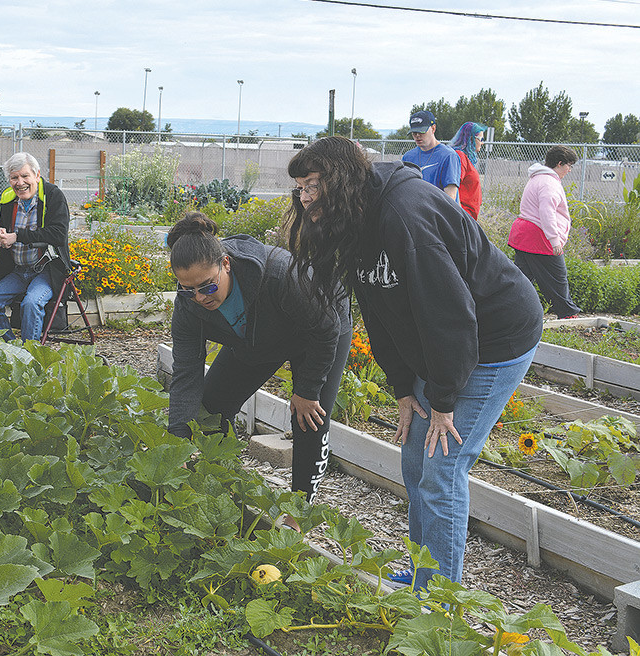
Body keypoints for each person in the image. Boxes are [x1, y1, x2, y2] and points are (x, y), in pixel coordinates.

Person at [286, 137, 543, 589]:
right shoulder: (357, 216)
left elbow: (450, 315)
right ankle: (424, 573)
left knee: (442, 468)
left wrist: (442, 401)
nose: (305, 198)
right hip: (444, 341)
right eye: (300, 187)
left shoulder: (405, 215)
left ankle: (439, 597)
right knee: (414, 460)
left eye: (312, 185)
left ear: (340, 180)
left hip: (494, 338)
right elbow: (379, 310)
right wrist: (404, 388)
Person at [166, 211, 349, 496]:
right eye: (188, 290)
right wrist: (177, 445)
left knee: (308, 418)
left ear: (226, 264)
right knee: (212, 408)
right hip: (255, 338)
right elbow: (186, 375)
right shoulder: (188, 308)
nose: (200, 297)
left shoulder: (280, 274)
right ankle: (221, 489)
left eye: (208, 286)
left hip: (318, 331)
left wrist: (307, 389)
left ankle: (299, 510)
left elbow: (326, 329)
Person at [0, 152, 70, 342]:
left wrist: (17, 236)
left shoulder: (53, 196)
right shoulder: (8, 200)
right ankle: (12, 349)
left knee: (31, 303)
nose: (20, 183)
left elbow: (58, 234)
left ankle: (30, 352)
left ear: (37, 175)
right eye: (14, 178)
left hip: (47, 271)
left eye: (25, 176)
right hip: (18, 271)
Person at [507, 145, 582, 319]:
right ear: (559, 163)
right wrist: (554, 240)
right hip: (539, 236)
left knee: (522, 278)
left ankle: (509, 311)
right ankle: (567, 313)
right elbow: (547, 213)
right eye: (569, 165)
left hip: (524, 234)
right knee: (557, 277)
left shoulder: (538, 178)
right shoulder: (549, 183)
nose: (569, 170)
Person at [402, 110, 460, 203]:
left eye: (422, 131)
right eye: (414, 132)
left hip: (439, 210)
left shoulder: (448, 156)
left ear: (433, 128)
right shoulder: (408, 157)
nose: (417, 136)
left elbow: (450, 197)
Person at [450, 121, 488, 219]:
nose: (482, 143)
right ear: (471, 139)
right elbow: (453, 187)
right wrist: (460, 216)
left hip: (468, 217)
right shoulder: (460, 156)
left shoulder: (466, 158)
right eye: (481, 139)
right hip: (462, 216)